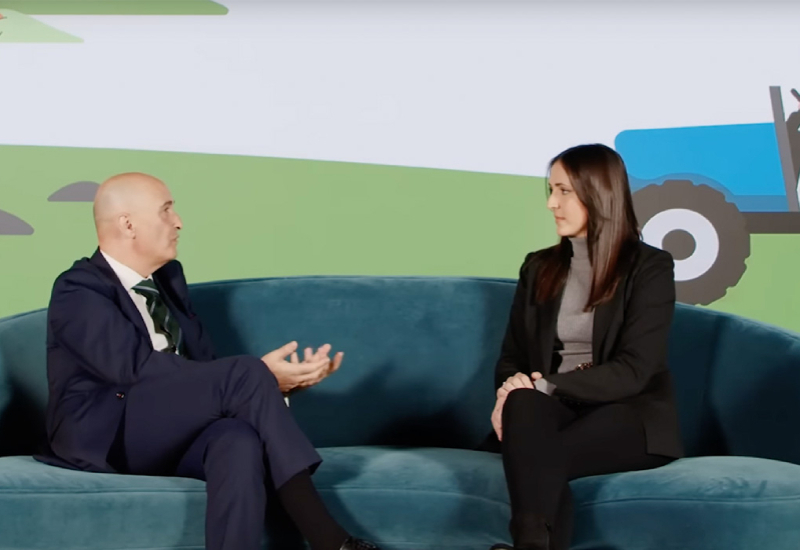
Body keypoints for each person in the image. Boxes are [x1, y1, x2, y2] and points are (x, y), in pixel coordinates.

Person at [40, 172, 381, 550]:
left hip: (167, 430)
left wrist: (270, 385)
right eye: (166, 210)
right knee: (247, 371)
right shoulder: (78, 288)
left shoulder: (168, 280)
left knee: (237, 440)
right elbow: (132, 369)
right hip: (109, 437)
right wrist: (255, 377)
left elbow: (204, 367)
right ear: (128, 224)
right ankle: (329, 539)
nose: (178, 222)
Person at [486, 144, 684, 550]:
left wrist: (544, 385)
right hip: (549, 412)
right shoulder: (538, 266)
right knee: (524, 405)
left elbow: (634, 370)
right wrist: (511, 389)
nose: (551, 203)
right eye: (551, 190)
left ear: (598, 194)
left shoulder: (650, 267)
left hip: (626, 412)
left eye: (563, 191)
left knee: (540, 456)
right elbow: (511, 358)